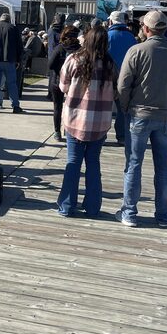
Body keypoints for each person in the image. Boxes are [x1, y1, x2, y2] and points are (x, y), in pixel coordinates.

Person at [117, 10, 167, 228]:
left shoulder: (136, 51)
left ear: (146, 28)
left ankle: (129, 212)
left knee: (133, 164)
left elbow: (123, 85)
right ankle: (163, 214)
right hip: (165, 115)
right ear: (165, 29)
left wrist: (126, 107)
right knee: (163, 167)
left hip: (139, 114)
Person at [56, 26, 116, 218]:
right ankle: (92, 207)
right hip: (100, 122)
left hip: (75, 120)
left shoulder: (73, 59)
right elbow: (116, 90)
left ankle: (67, 206)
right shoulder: (110, 64)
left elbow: (63, 86)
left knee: (73, 162)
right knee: (93, 163)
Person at [107, 11, 137, 145]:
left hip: (107, 77)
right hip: (126, 78)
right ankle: (121, 136)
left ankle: (102, 135)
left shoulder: (107, 36)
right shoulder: (131, 37)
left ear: (111, 21)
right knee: (122, 109)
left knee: (105, 107)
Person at [48, 25, 80, 143]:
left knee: (57, 107)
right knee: (74, 107)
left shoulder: (60, 48)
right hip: (74, 83)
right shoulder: (80, 50)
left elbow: (50, 65)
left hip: (57, 81)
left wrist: (60, 68)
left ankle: (57, 132)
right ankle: (70, 130)